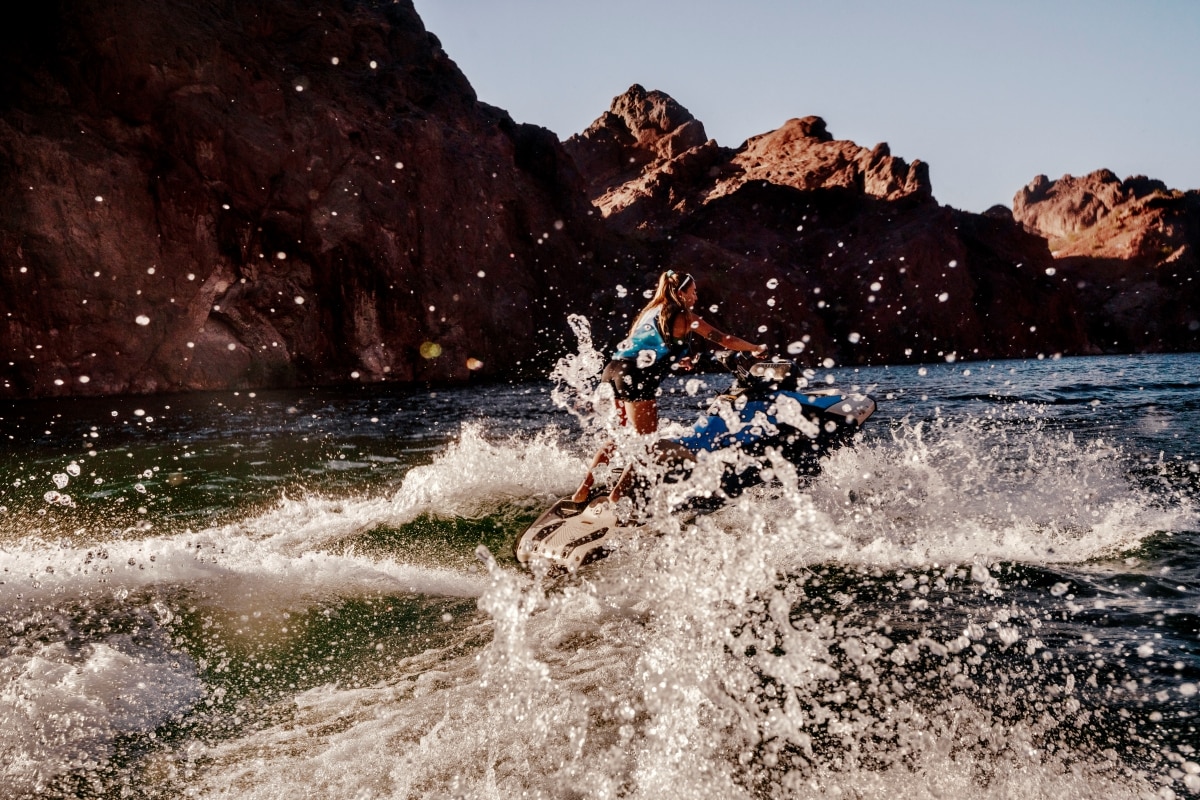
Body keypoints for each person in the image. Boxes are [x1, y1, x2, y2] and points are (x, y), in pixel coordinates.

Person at [572, 269, 767, 504]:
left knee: (619, 435)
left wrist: (678, 359)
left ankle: (582, 490)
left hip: (612, 370)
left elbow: (644, 348)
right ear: (681, 292)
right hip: (635, 377)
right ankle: (617, 497)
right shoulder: (684, 316)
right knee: (647, 444)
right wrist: (754, 348)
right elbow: (724, 340)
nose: (695, 298)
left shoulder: (650, 311)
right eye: (693, 293)